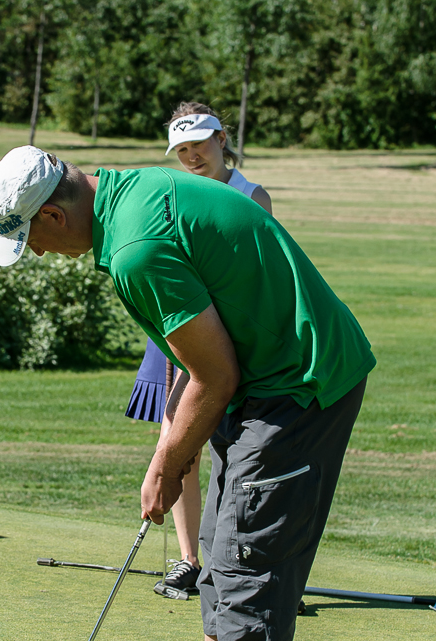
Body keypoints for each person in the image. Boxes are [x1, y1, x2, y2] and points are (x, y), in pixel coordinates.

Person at [0, 146, 374, 641]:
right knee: (218, 560)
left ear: (53, 214)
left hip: (296, 386)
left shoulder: (135, 248)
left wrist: (166, 465)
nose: (40, 253)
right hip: (262, 381)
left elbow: (215, 375)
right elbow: (202, 364)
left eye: (32, 240)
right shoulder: (127, 192)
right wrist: (173, 443)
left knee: (247, 568)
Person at [128, 102, 273, 599]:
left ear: (221, 139)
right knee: (177, 441)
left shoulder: (251, 195)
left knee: (238, 447)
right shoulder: (175, 192)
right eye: (182, 149)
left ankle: (244, 561)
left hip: (233, 333)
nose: (192, 156)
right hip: (180, 329)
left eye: (199, 145)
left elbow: (262, 269)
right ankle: (188, 560)